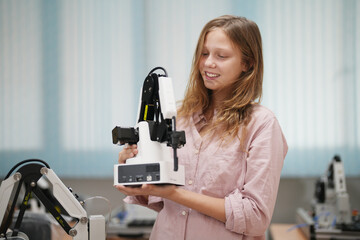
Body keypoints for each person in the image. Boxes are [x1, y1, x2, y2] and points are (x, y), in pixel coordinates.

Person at [115, 15, 288, 240]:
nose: (208, 63)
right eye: (204, 53)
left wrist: (175, 193)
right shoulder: (181, 118)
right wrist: (134, 172)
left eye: (221, 56)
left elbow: (254, 218)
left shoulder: (262, 124)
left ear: (248, 63)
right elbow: (161, 200)